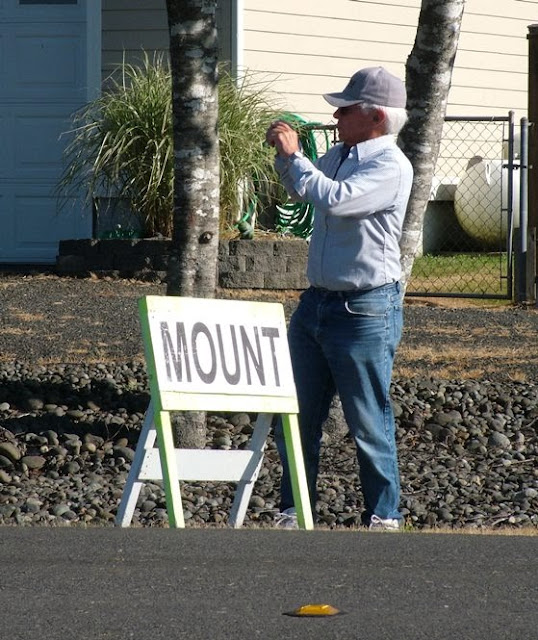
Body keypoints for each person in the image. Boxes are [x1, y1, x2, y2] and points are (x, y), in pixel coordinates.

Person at [266, 66, 413, 530]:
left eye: (345, 109)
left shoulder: (390, 165)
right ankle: (294, 511)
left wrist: (296, 156)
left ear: (375, 117)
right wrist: (285, 159)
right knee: (296, 416)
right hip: (318, 302)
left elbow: (337, 199)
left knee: (367, 419)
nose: (336, 117)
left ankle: (384, 516)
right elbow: (301, 190)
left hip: (365, 308)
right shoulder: (342, 154)